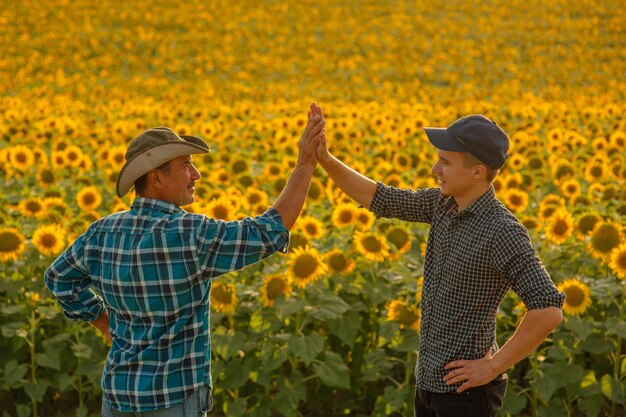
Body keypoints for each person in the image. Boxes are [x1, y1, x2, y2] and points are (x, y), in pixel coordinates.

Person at [44, 103, 326, 417]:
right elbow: (266, 233)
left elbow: (58, 279)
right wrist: (305, 165)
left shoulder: (102, 232)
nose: (196, 174)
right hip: (173, 399)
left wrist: (102, 322)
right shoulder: (190, 234)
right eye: (186, 165)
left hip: (118, 397)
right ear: (156, 178)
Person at [315, 111, 565, 417]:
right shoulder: (442, 204)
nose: (435, 169)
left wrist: (492, 367)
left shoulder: (502, 231)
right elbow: (381, 198)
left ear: (477, 171)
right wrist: (325, 159)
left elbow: (548, 309)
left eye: (445, 162)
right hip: (430, 385)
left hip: (466, 394)